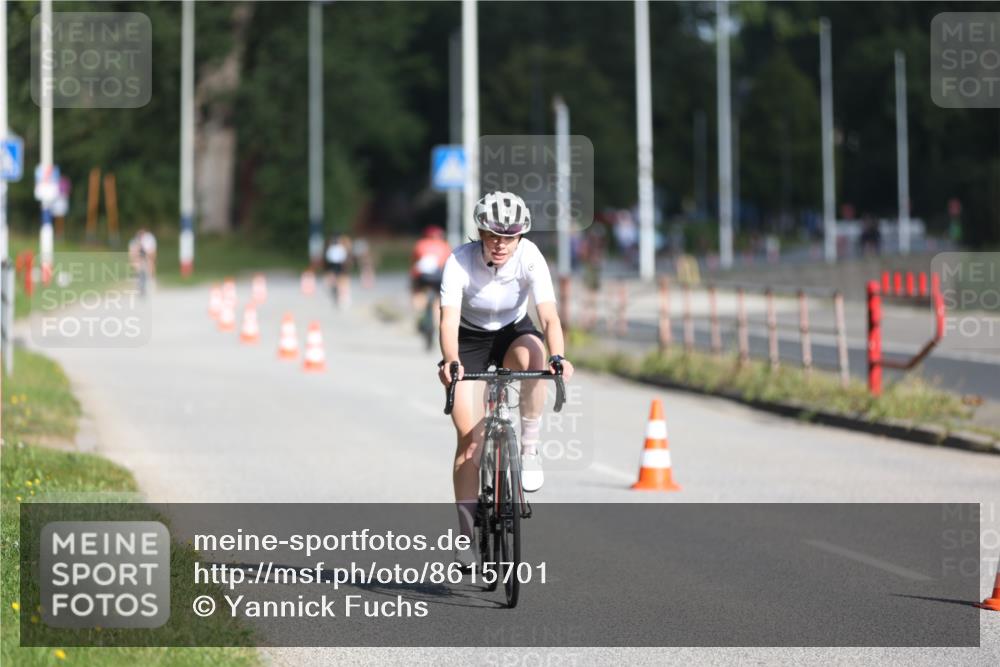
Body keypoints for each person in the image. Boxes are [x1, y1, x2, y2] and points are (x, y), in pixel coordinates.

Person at [437, 191, 574, 568]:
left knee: (537, 359)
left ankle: (529, 448)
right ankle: (465, 534)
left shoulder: (530, 257)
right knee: (470, 441)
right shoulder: (458, 262)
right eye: (494, 235)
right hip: (468, 339)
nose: (501, 244)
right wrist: (452, 361)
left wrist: (559, 357)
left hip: (513, 331)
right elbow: (447, 320)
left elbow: (548, 316)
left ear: (520, 237)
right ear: (480, 231)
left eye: (510, 236)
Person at [410, 225, 451, 327]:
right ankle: (437, 321)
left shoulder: (420, 244)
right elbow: (448, 263)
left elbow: (414, 260)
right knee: (438, 298)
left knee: (417, 291)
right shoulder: (445, 246)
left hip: (422, 276)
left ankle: (419, 313)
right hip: (438, 276)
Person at [324, 234, 352, 307]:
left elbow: (328, 259)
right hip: (339, 266)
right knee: (341, 281)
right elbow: (343, 259)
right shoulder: (340, 248)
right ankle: (340, 295)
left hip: (334, 266)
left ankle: (337, 293)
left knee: (335, 280)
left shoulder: (331, 248)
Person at [127, 227, 157, 296]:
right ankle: (139, 285)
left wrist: (150, 260)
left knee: (150, 265)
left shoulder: (149, 240)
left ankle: (150, 283)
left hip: (147, 257)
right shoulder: (133, 242)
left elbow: (152, 253)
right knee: (138, 267)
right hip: (138, 258)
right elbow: (132, 254)